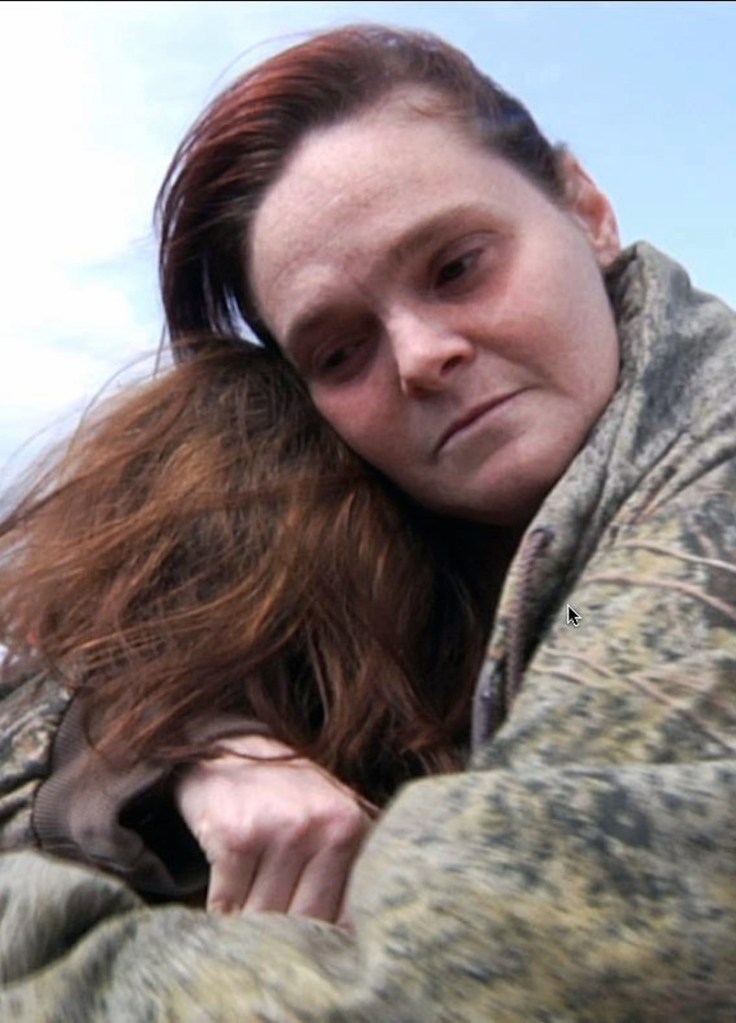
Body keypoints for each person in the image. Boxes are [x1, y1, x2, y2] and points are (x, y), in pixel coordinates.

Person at [0, 24, 734, 1019]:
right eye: (341, 353)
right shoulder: (391, 530)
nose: (421, 355)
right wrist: (188, 745)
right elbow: (79, 649)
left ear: (588, 210)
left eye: (457, 267)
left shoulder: (709, 470)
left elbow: (471, 984)